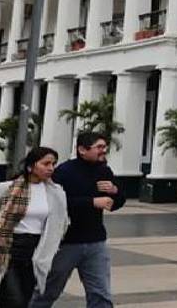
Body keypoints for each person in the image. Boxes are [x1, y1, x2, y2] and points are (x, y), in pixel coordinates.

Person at [33, 132, 125, 308]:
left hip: (96, 242)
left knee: (101, 294)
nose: (103, 151)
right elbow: (56, 205)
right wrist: (91, 202)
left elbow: (117, 201)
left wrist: (115, 191)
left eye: (104, 147)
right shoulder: (64, 172)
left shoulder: (104, 170)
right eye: (99, 147)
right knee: (48, 290)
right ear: (82, 149)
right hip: (65, 243)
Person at [0, 146, 69, 308]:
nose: (51, 168)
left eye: (53, 164)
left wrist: (54, 242)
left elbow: (63, 221)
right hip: (8, 250)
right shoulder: (7, 188)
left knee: (25, 300)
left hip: (36, 252)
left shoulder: (56, 192)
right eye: (46, 164)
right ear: (31, 166)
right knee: (15, 301)